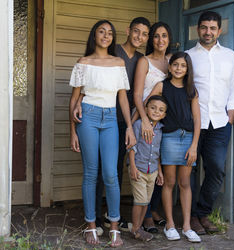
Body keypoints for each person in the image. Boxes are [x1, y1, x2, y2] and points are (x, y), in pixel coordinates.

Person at [72, 17, 150, 234]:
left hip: (115, 119)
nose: (105, 36)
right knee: (92, 172)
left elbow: (126, 96)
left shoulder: (129, 61)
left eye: (109, 33)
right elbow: (81, 91)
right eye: (101, 32)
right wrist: (74, 125)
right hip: (91, 114)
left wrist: (129, 126)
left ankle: (112, 222)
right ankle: (93, 223)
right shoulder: (95, 56)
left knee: (111, 172)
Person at [186, 11, 234, 235]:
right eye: (204, 27)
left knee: (217, 170)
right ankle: (191, 216)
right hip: (193, 124)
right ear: (198, 29)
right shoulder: (188, 56)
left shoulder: (229, 55)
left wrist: (229, 117)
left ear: (219, 31)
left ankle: (202, 212)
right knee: (189, 170)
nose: (208, 32)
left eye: (212, 28)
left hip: (220, 123)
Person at [146, 52, 201, 242]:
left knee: (185, 183)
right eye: (175, 65)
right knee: (168, 182)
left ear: (187, 69)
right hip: (169, 138)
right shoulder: (162, 86)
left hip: (188, 139)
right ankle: (170, 224)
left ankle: (186, 226)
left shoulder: (191, 89)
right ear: (169, 68)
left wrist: (194, 146)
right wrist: (146, 124)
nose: (178, 68)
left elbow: (197, 119)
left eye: (183, 66)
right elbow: (148, 105)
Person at [133, 21, 172, 232]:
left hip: (164, 121)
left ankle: (153, 209)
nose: (160, 40)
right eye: (156, 36)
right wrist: (145, 121)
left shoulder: (173, 61)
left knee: (161, 167)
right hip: (145, 119)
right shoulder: (144, 61)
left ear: (169, 39)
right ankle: (146, 215)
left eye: (164, 35)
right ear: (151, 40)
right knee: (144, 165)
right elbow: (138, 95)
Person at [129, 95, 166, 241]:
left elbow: (157, 153)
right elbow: (132, 147)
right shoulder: (138, 125)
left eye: (161, 110)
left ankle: (139, 227)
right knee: (140, 201)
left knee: (146, 202)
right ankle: (135, 229)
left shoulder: (161, 130)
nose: (156, 111)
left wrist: (160, 172)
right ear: (145, 109)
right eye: (153, 107)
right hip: (139, 168)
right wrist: (132, 166)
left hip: (153, 171)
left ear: (164, 115)